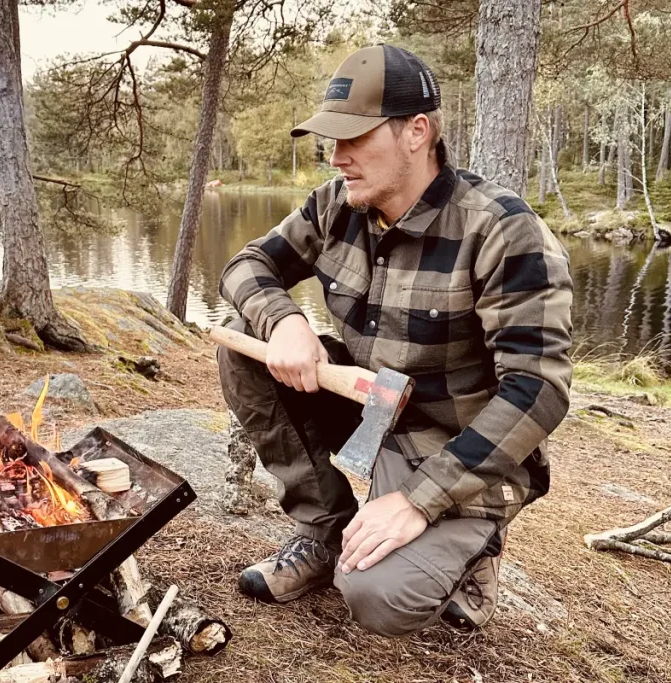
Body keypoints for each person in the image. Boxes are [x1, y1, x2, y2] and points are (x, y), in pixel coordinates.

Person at [217, 44, 573, 636]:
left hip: (453, 443)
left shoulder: (502, 231)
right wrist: (284, 320)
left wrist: (417, 500)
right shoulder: (337, 206)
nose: (336, 157)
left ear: (416, 132)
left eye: (354, 139)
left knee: (378, 598)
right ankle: (323, 531)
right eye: (332, 141)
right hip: (373, 408)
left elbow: (539, 389)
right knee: (241, 340)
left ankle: (476, 541)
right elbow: (248, 264)